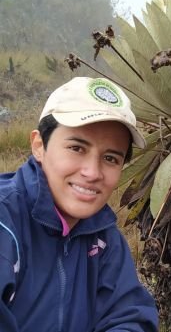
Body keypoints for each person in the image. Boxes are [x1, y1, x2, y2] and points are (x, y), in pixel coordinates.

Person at [0, 77, 158, 332]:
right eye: (76, 148)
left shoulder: (104, 238)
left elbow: (129, 316)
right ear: (39, 146)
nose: (92, 172)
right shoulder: (6, 224)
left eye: (110, 158)